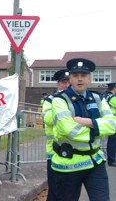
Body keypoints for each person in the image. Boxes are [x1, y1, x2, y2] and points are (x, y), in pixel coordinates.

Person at [51, 58, 116, 201]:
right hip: (69, 164)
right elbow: (69, 131)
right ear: (70, 79)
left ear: (89, 79)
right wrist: (98, 127)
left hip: (95, 162)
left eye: (83, 76)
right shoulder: (60, 100)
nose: (79, 79)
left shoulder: (98, 99)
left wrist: (86, 121)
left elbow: (112, 125)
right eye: (75, 76)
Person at [42, 69, 70, 200]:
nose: (67, 85)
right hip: (54, 150)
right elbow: (47, 119)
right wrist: (61, 110)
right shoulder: (50, 100)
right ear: (58, 84)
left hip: (73, 151)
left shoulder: (75, 99)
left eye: (69, 82)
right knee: (54, 186)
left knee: (69, 188)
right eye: (64, 82)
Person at [103, 82, 116, 167]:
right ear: (114, 88)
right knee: (113, 142)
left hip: (110, 121)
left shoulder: (106, 95)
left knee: (112, 141)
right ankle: (112, 160)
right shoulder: (112, 97)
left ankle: (112, 158)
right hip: (113, 121)